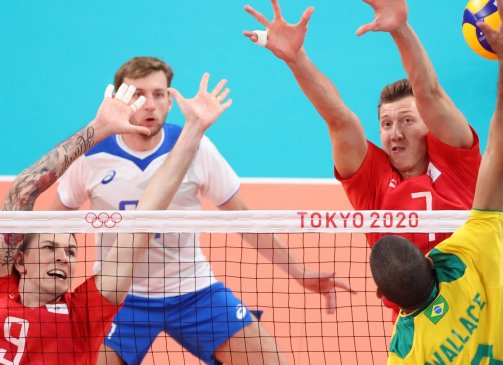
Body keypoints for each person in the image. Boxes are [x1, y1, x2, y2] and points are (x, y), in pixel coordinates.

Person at [51, 57, 350, 365]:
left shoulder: (195, 146)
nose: (150, 104)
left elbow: (242, 218)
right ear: (119, 99)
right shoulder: (92, 156)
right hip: (118, 297)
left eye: (159, 93)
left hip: (194, 291)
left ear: (170, 99)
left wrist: (299, 272)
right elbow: (53, 225)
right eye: (138, 94)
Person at [243, 0, 481, 321]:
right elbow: (339, 119)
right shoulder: (372, 181)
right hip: (417, 327)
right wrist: (297, 60)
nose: (395, 134)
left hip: (480, 312)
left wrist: (400, 29)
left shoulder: (458, 162)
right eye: (386, 124)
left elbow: (430, 93)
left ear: (429, 125)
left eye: (407, 121)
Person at [370, 0, 503, 362]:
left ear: (385, 296)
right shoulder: (475, 255)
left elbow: (429, 95)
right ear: (431, 261)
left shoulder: (406, 351)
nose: (395, 133)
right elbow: (501, 153)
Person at [0, 79, 205, 363]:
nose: (63, 258)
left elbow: (143, 221)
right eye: (50, 247)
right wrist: (98, 129)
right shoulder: (2, 286)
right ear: (19, 261)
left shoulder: (84, 312)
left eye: (71, 252)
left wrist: (193, 132)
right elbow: (23, 190)